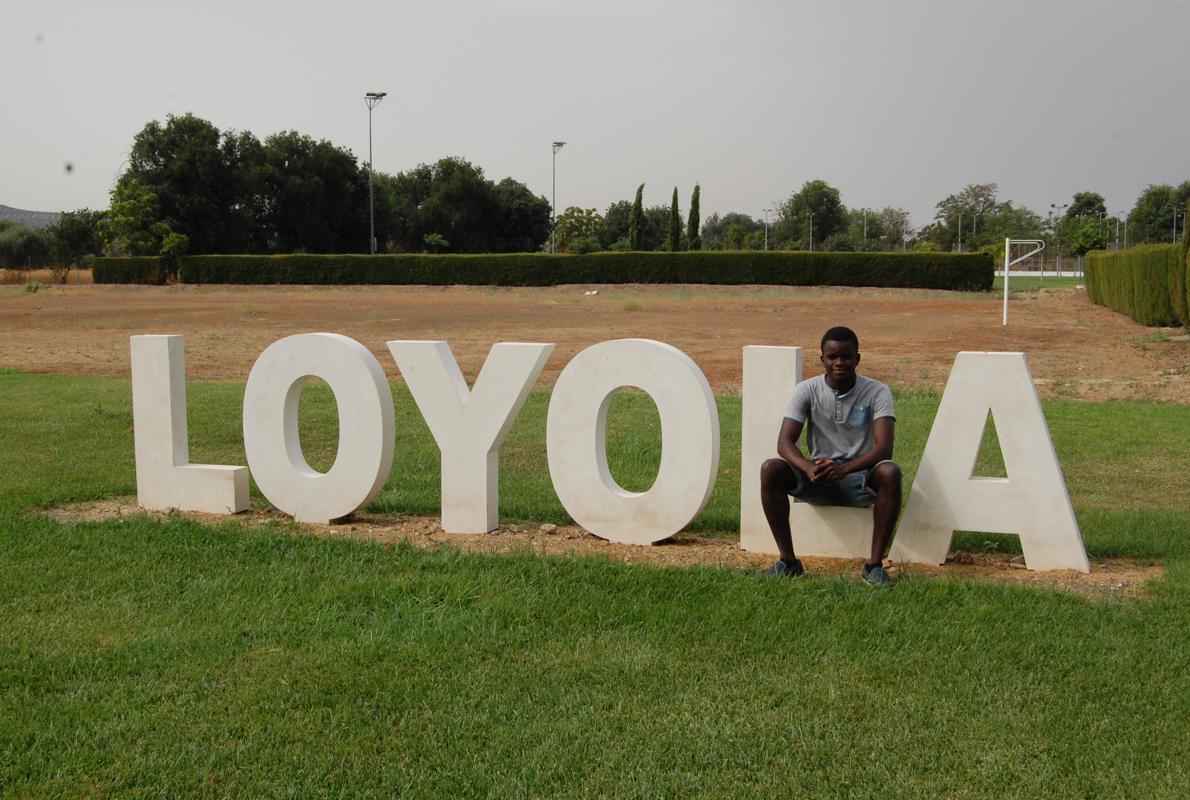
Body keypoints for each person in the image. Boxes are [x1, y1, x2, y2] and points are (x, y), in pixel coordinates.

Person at [759, 326, 902, 587]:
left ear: (857, 359)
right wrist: (807, 467)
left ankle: (874, 566)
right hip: (818, 475)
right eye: (832, 357)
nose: (839, 363)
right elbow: (784, 442)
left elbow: (884, 448)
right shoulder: (807, 390)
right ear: (822, 359)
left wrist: (845, 470)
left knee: (890, 472)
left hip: (859, 476)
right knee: (771, 469)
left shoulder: (877, 392)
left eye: (846, 356)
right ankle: (788, 562)